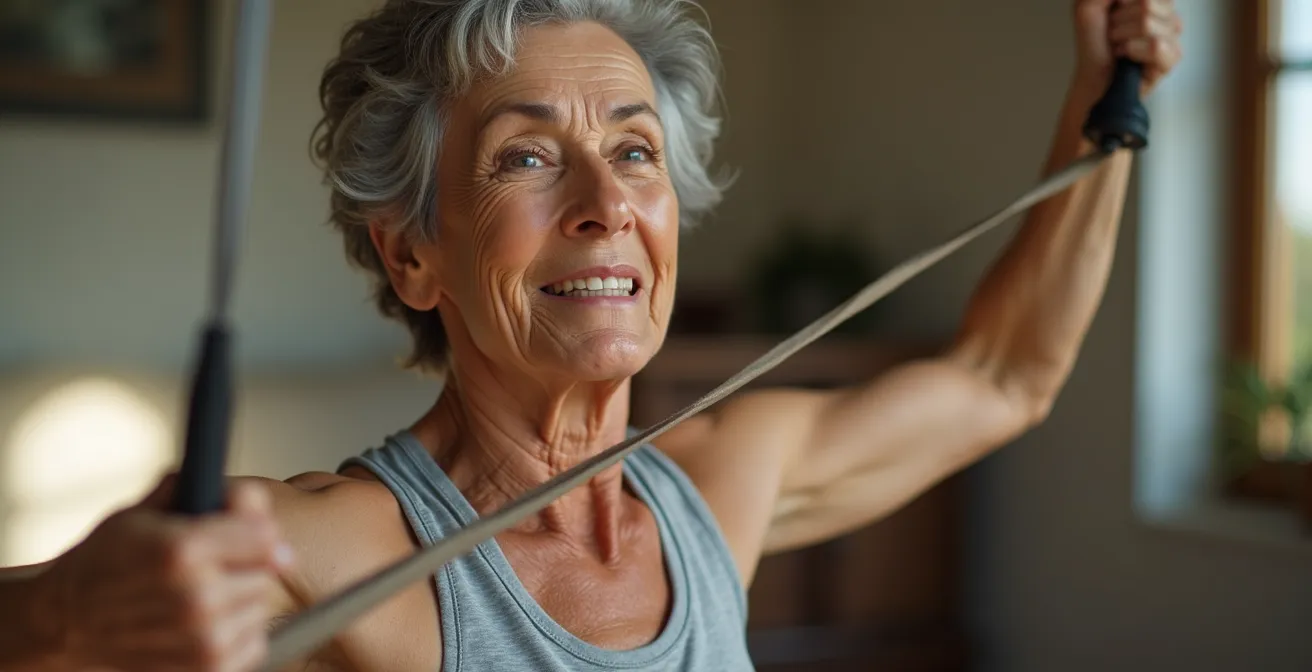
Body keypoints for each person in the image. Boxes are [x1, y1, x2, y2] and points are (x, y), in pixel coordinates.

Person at [0, 0, 1183, 669]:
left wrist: (1100, 99)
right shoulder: (342, 550)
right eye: (524, 155)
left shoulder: (720, 485)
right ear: (411, 253)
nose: (606, 202)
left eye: (634, 151)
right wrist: (63, 616)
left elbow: (1003, 375)